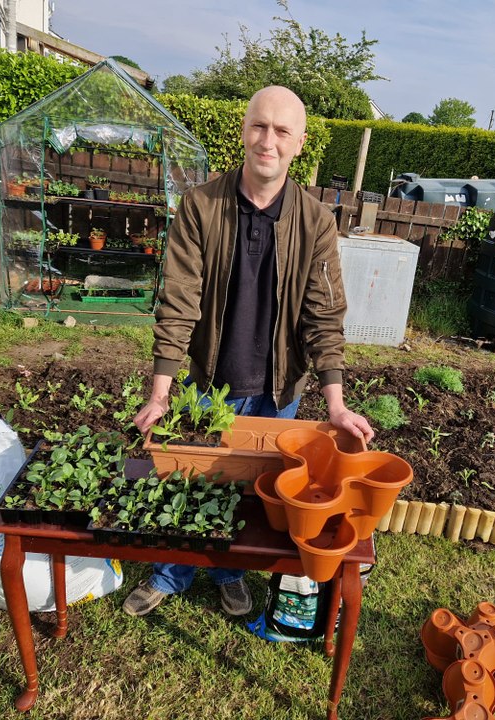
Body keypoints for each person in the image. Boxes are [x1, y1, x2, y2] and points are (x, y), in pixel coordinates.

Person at [124, 85, 374, 618]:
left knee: (255, 492)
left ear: (299, 144)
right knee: (188, 480)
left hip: (278, 389)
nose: (268, 140)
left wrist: (335, 404)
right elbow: (179, 301)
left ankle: (230, 572)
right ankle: (171, 573)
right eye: (259, 125)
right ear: (244, 131)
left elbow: (324, 315)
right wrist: (161, 393)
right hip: (207, 381)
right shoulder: (201, 207)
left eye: (282, 131)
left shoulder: (316, 221)